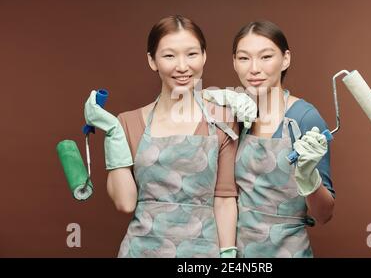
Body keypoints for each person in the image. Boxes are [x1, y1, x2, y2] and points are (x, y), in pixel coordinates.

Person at [84, 15, 240, 258]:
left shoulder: (222, 121)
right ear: (152, 60)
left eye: (191, 54)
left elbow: (224, 200)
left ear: (204, 56)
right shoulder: (127, 123)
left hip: (201, 254)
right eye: (169, 56)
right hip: (140, 250)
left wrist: (227, 253)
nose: (182, 66)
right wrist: (113, 132)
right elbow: (125, 203)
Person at [204, 20, 335, 258]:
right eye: (244, 58)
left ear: (285, 59)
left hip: (289, 251)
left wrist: (309, 178)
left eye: (266, 57)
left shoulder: (304, 118)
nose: (254, 68)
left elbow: (324, 215)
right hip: (235, 252)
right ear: (234, 62)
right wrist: (210, 95)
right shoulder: (235, 115)